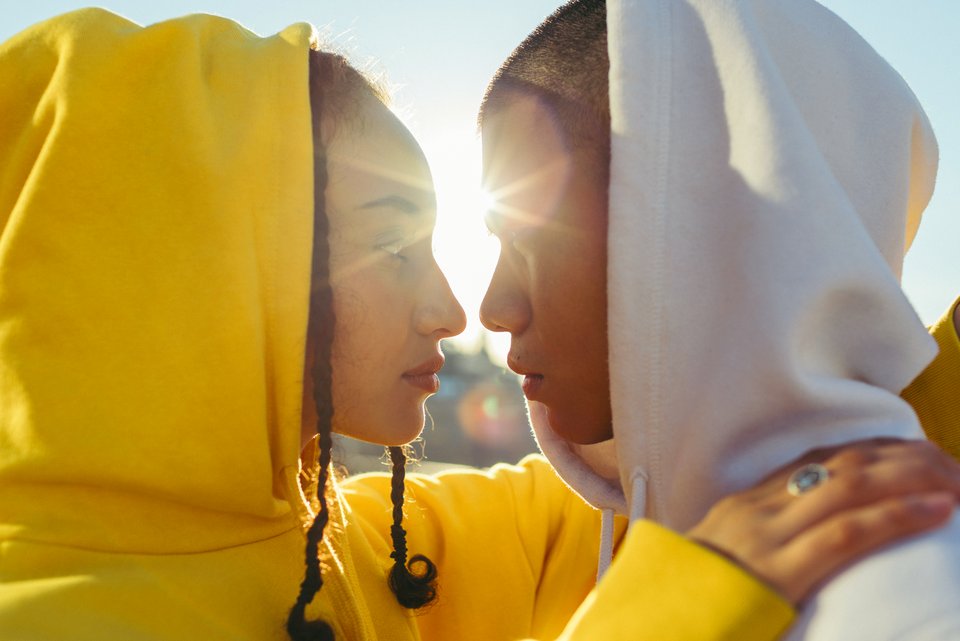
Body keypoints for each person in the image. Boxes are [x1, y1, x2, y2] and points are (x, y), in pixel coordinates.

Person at [1, 7, 959, 641]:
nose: (459, 309)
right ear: (196, 253)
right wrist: (673, 615)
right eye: (392, 241)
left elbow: (634, 493)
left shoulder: (357, 543)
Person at [478, 0, 960, 638]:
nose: (492, 308)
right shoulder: (634, 523)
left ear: (706, 226)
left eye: (531, 238)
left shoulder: (908, 606)